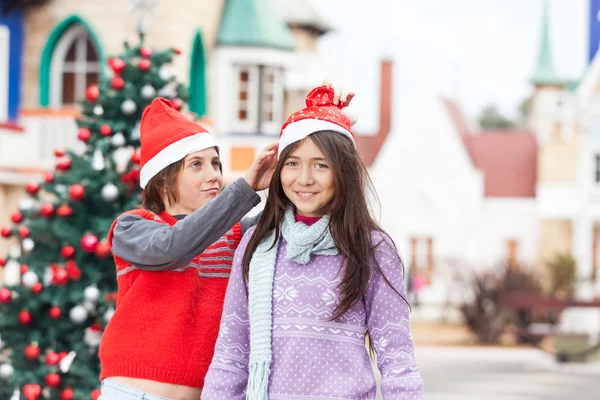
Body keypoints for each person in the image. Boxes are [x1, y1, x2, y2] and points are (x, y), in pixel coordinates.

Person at [99, 86, 353, 400]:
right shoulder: (133, 226)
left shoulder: (237, 235)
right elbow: (172, 248)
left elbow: (295, 214)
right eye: (196, 165)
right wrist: (245, 187)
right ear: (162, 178)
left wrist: (315, 137)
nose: (214, 176)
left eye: (216, 164)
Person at [202, 86, 424, 399]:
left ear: (343, 172)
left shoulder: (372, 249)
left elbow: (397, 358)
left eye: (320, 165)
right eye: (292, 163)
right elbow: (231, 353)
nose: (304, 178)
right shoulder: (258, 244)